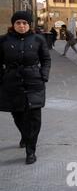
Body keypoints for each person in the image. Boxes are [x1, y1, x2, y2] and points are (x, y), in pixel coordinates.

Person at [0, 11, 51, 164]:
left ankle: (31, 150)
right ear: (13, 24)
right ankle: (25, 135)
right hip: (12, 83)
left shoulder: (38, 39)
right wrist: (1, 78)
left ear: (29, 25)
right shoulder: (3, 40)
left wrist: (44, 75)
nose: (21, 26)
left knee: (34, 118)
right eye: (18, 23)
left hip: (34, 82)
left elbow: (46, 59)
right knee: (18, 115)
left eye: (25, 23)